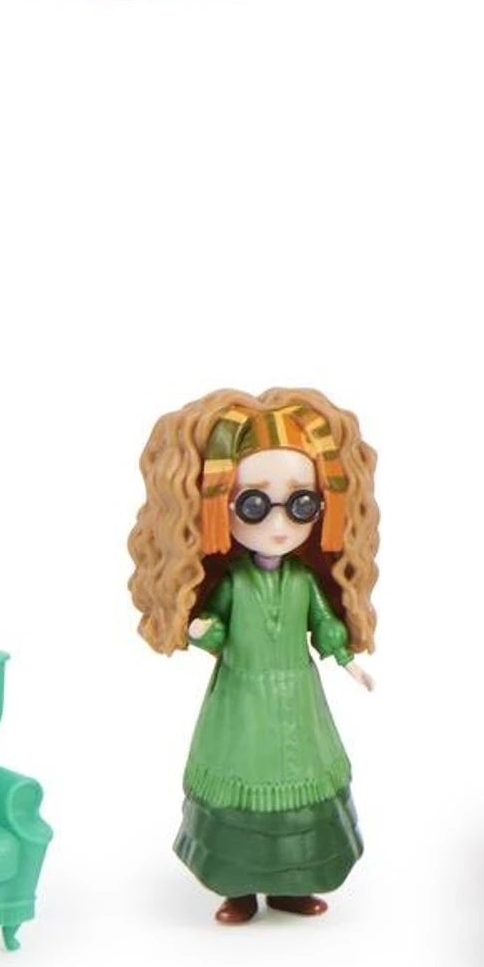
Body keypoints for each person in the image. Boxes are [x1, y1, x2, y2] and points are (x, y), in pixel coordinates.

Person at [129, 389, 379, 925]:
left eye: (302, 503)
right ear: (220, 507)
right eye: (254, 505)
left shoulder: (302, 580)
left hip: (298, 698)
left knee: (302, 780)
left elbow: (324, 624)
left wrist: (346, 658)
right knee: (240, 777)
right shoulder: (235, 583)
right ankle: (237, 889)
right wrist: (201, 631)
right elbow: (217, 629)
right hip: (241, 699)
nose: (280, 525)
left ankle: (293, 884)